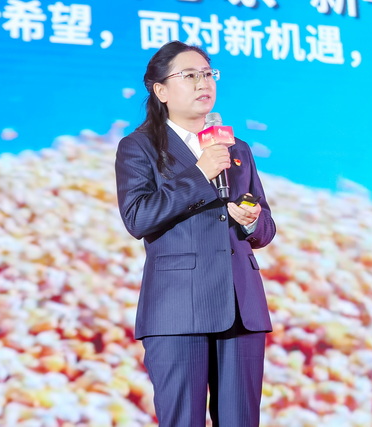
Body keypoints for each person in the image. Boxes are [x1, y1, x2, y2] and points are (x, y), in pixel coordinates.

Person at [114, 41, 276, 427]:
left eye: (207, 74)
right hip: (178, 310)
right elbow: (138, 218)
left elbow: (266, 228)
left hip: (241, 306)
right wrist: (200, 173)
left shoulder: (237, 148)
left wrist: (250, 220)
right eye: (190, 75)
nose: (203, 82)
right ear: (161, 90)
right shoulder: (139, 147)